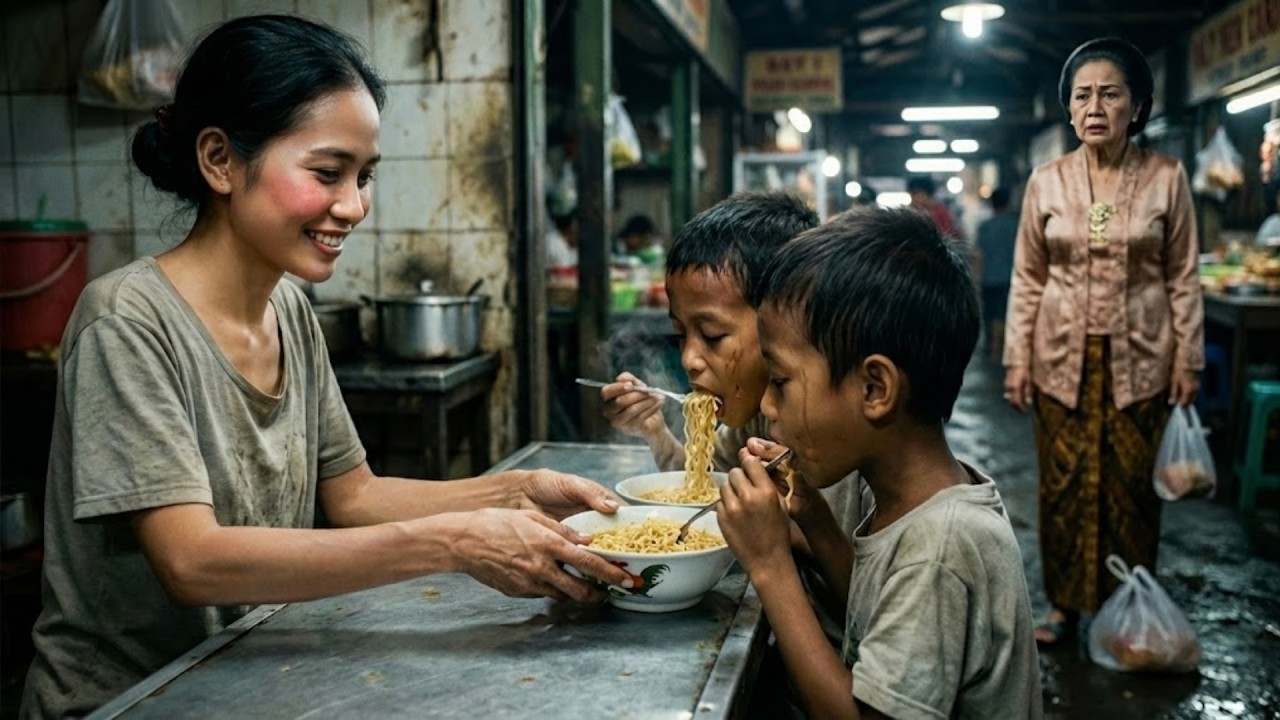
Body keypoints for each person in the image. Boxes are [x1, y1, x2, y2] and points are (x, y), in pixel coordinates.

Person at [20, 15, 631, 718]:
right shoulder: (127, 321)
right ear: (219, 160)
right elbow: (192, 562)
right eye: (326, 172)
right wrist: (454, 542)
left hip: (237, 679)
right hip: (128, 702)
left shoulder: (290, 308)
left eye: (364, 176)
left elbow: (353, 496)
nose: (353, 205)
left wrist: (513, 492)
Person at [718, 207, 1042, 718]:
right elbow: (874, 620)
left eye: (780, 382)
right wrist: (817, 523)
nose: (765, 407)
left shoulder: (941, 547)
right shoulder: (908, 503)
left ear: (875, 388)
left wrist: (769, 564)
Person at [1003, 36, 1203, 648]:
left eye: (1110, 94)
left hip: (1141, 358)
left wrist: (1187, 359)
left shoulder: (1168, 179)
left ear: (1136, 107)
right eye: (1082, 95)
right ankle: (1063, 607)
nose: (1095, 106)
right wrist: (1016, 359)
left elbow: (1183, 275)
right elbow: (1029, 277)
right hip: (1059, 358)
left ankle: (1130, 611)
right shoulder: (1047, 181)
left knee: (1132, 491)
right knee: (1063, 485)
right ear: (1068, 110)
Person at [975, 187, 1018, 360]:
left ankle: (992, 345)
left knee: (990, 314)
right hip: (1010, 277)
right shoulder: (1016, 224)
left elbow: (979, 254)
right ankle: (1004, 346)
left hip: (988, 278)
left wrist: (976, 278)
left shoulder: (985, 226)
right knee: (1006, 313)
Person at [907, 175, 962, 240]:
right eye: (911, 194)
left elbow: (950, 239)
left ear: (926, 194)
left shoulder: (941, 214)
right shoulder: (910, 213)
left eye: (915, 193)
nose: (913, 198)